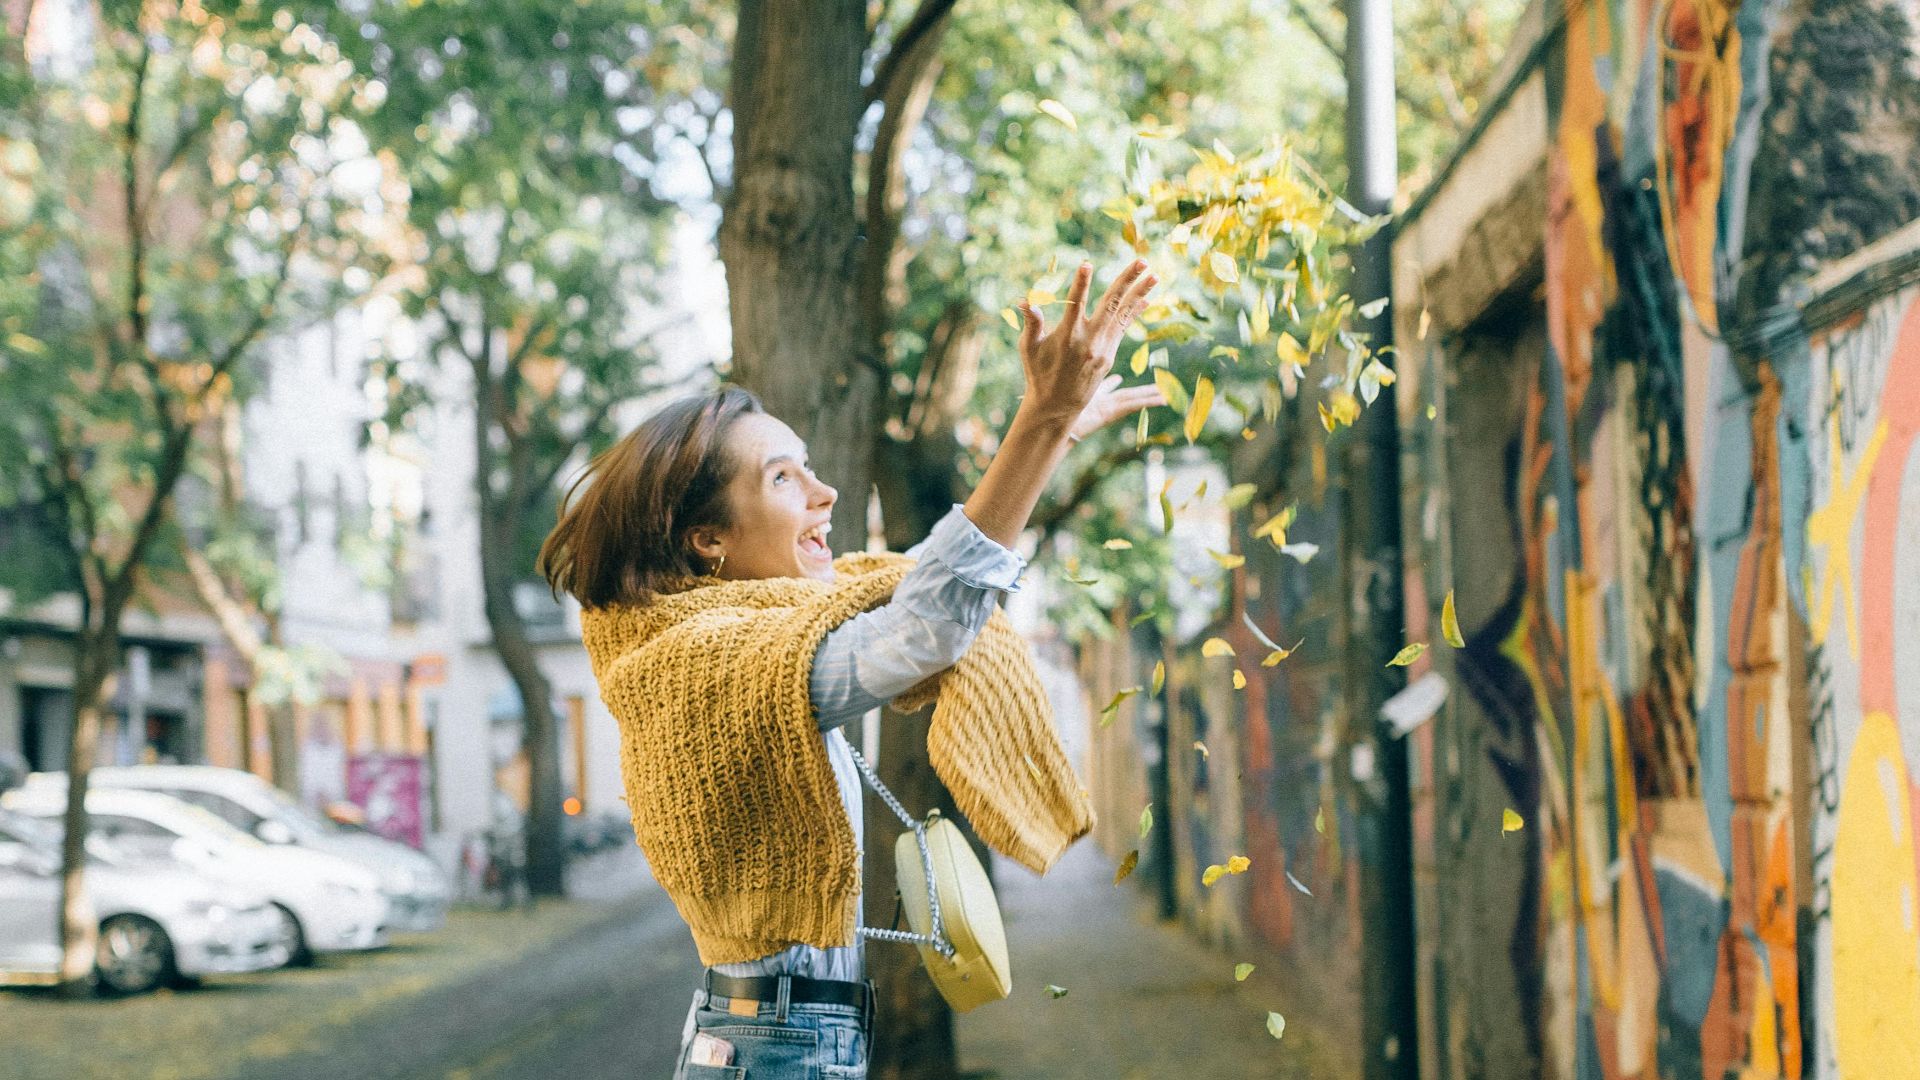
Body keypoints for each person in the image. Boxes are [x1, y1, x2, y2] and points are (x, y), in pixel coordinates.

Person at [538, 259, 1159, 1078]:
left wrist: (1051, 439)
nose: (825, 492)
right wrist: (1037, 424)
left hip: (782, 1045)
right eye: (784, 478)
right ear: (708, 540)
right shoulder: (702, 670)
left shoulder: (767, 646)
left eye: (809, 465)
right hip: (776, 1053)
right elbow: (929, 625)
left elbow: (932, 599)